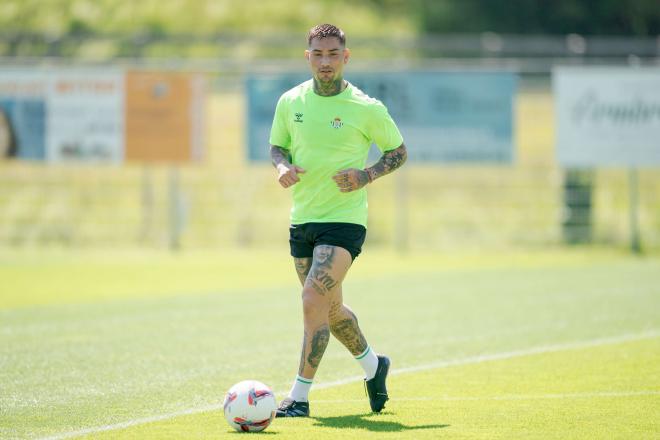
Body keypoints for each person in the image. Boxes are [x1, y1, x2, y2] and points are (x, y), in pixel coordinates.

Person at [269, 23, 407, 417]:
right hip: (303, 219)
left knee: (312, 298)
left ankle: (298, 397)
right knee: (329, 310)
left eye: (333, 54)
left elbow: (398, 152)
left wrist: (366, 175)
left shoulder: (366, 108)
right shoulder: (290, 102)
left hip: (345, 222)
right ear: (307, 56)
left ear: (345, 58)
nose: (325, 62)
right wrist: (281, 167)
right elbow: (277, 145)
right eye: (318, 54)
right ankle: (373, 366)